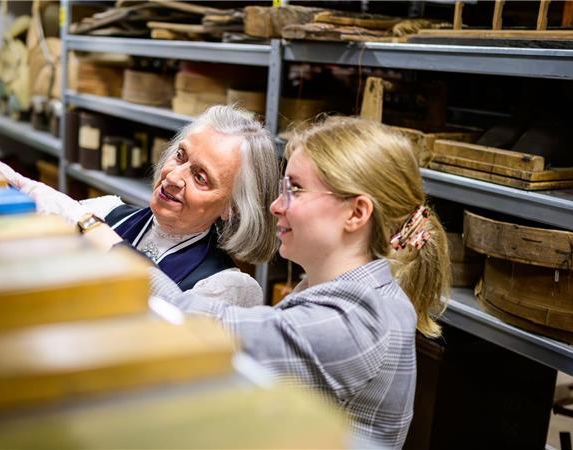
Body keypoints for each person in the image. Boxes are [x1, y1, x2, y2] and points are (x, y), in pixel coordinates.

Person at [87, 116, 451, 448]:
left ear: (356, 213)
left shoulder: (353, 323)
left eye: (296, 189)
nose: (276, 205)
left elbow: (200, 327)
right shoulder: (342, 290)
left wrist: (105, 243)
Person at [0, 73, 279, 306]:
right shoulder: (110, 211)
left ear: (232, 207)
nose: (174, 176)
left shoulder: (227, 287)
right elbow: (12, 209)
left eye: (201, 177)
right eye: (180, 155)